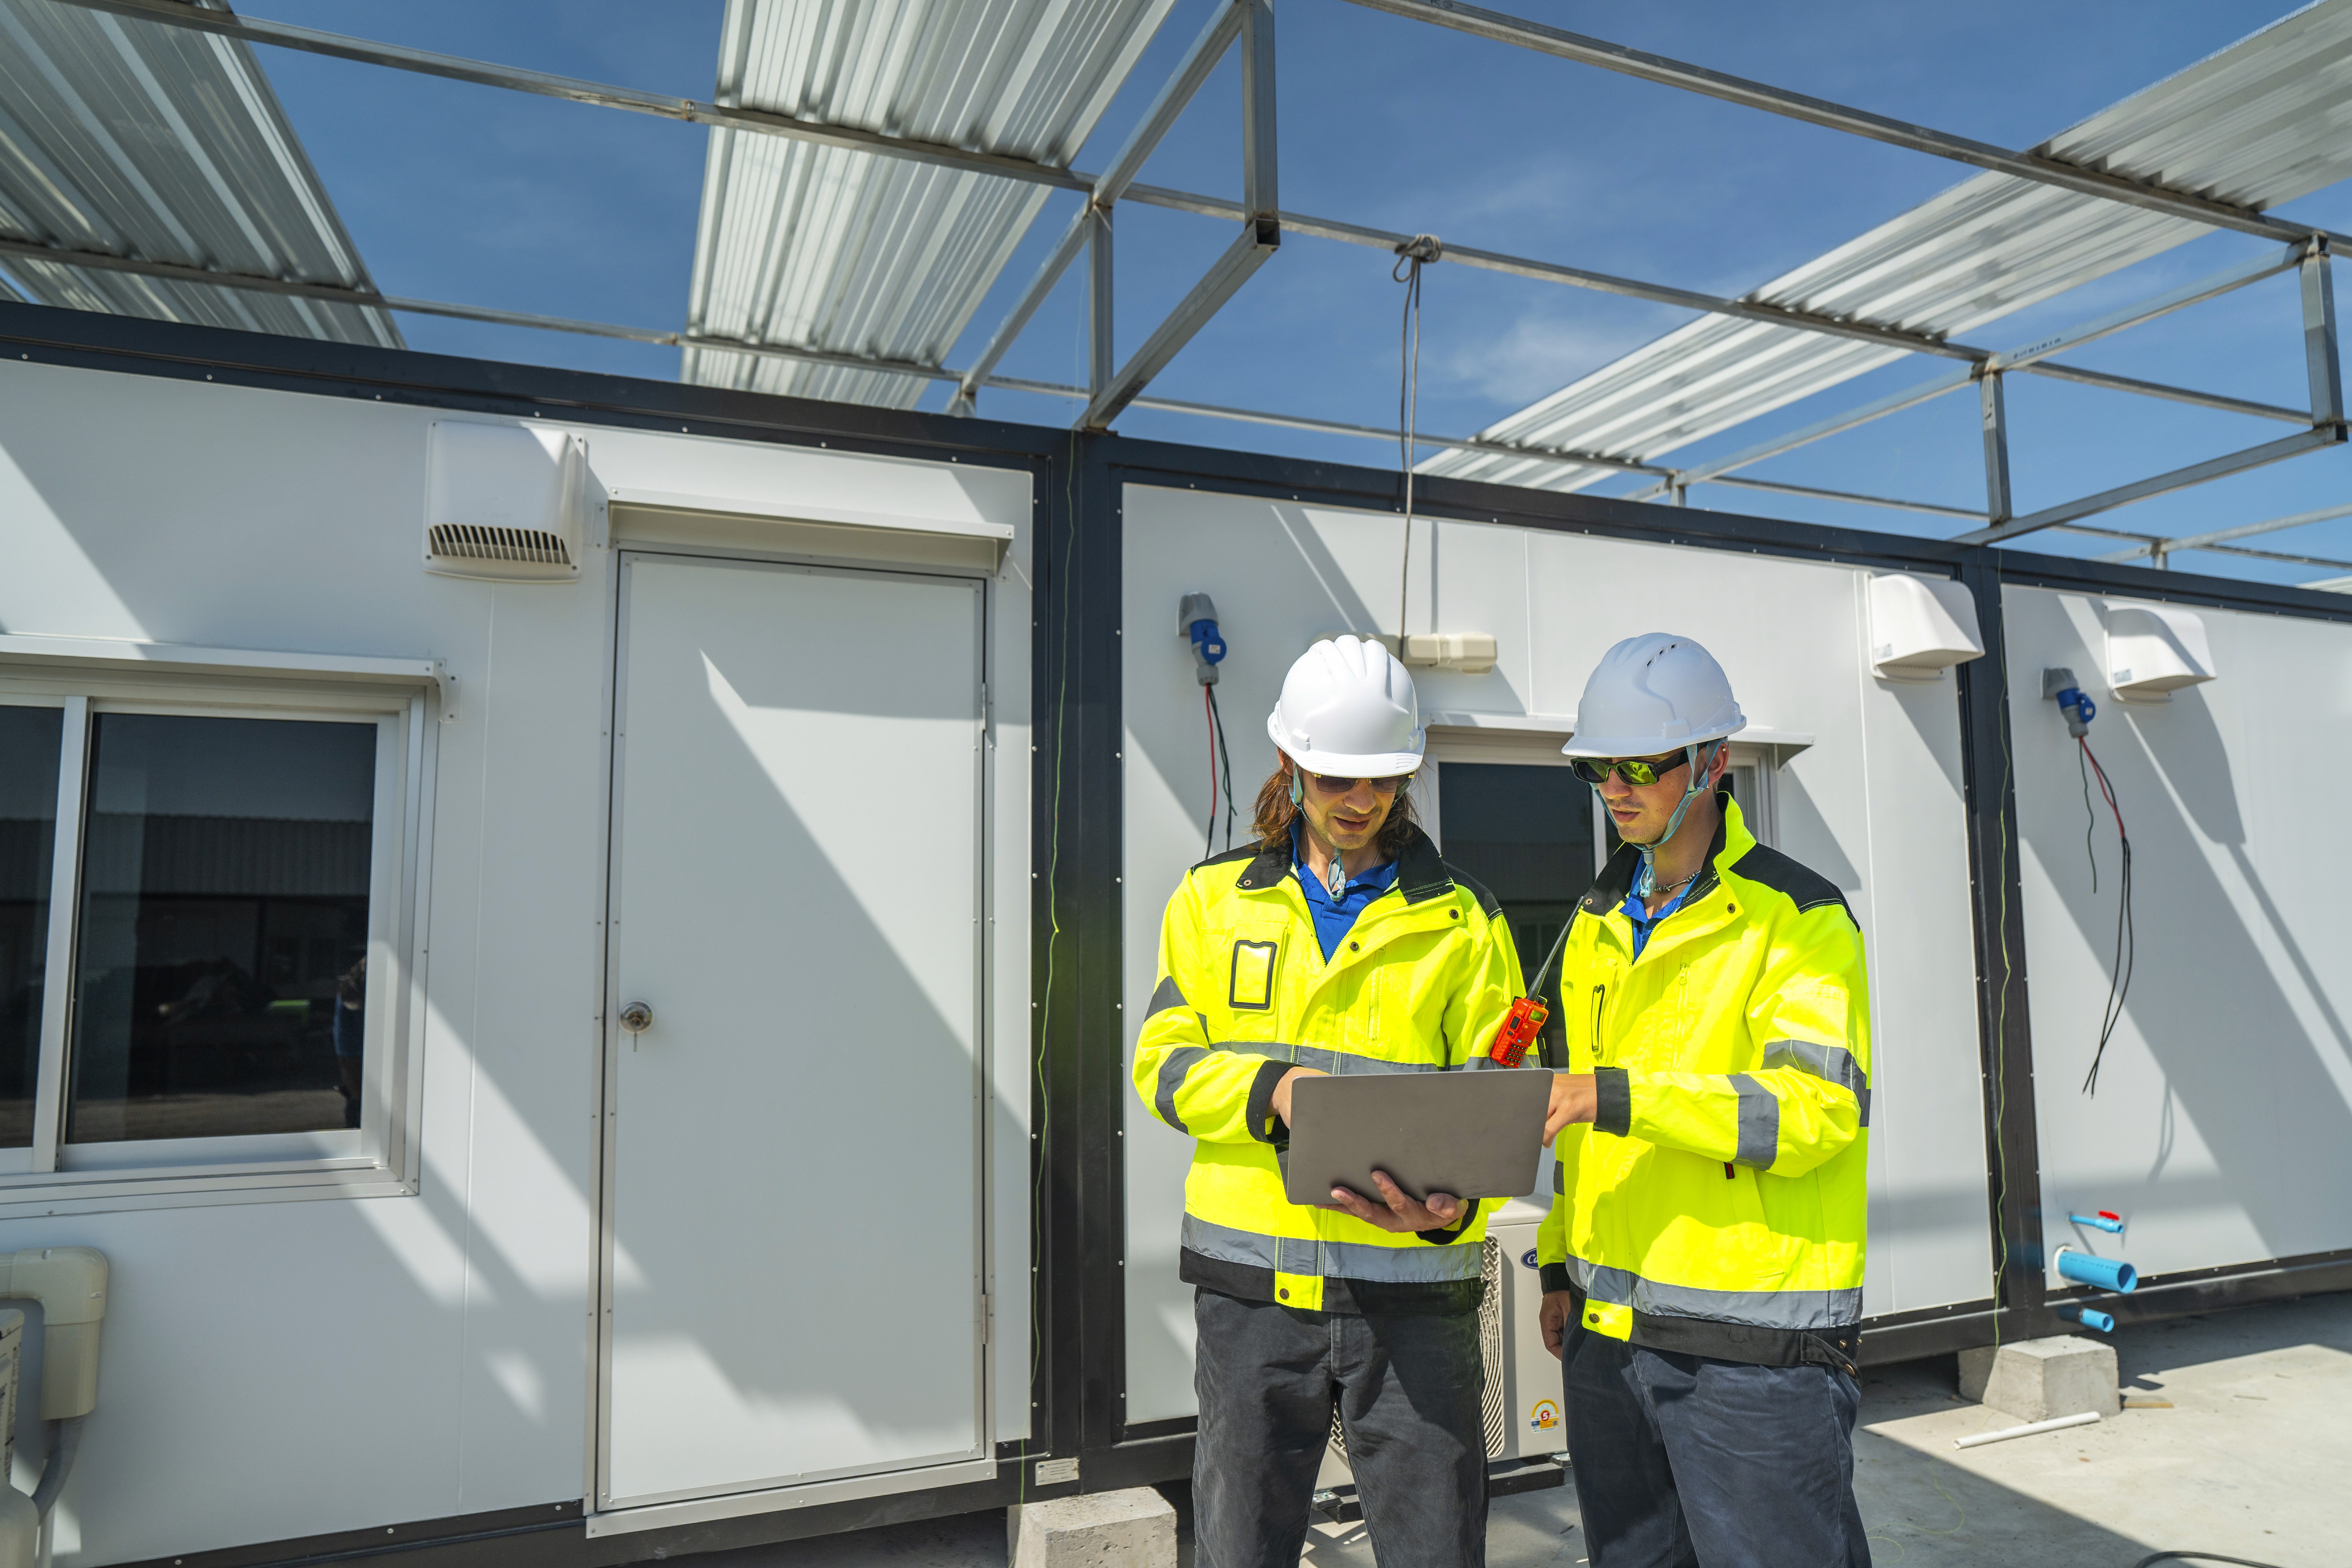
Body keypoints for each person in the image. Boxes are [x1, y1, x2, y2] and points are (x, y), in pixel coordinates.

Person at [1132, 635, 1524, 1568]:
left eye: (1383, 781)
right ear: (1290, 763)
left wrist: (1459, 1207)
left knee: (1437, 1548)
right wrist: (1274, 1089)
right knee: (1241, 1549)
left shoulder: (1468, 921)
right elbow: (1162, 1065)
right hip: (1253, 1303)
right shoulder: (1209, 901)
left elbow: (1502, 1106)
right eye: (1337, 779)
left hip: (1418, 1304)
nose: (1361, 802)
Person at [1534, 633, 1873, 1567]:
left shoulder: (1797, 918)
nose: (1616, 787)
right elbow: (1580, 1137)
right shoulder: (1597, 923)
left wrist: (1619, 1097)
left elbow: (1814, 1111)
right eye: (1598, 766)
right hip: (1609, 1335)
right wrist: (1559, 1267)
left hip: (1751, 1349)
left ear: (1714, 764)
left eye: (1642, 764)